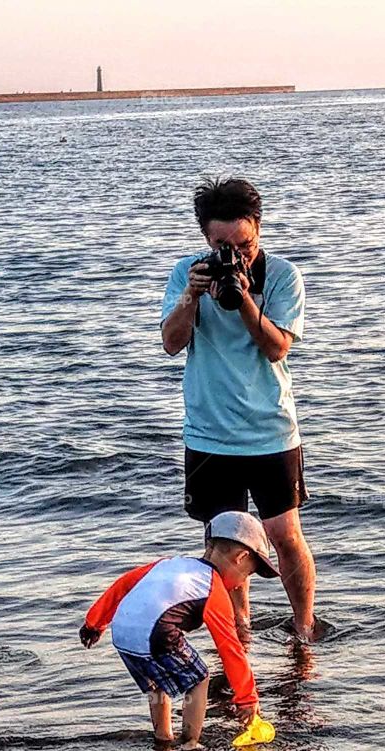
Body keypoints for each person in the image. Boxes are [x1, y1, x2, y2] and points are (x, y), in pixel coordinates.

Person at [160, 177, 317, 642]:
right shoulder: (187, 273)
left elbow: (276, 348)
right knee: (224, 544)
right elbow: (171, 344)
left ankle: (304, 629)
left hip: (270, 429)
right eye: (222, 246)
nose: (236, 256)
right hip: (209, 432)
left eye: (244, 245)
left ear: (259, 230)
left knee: (285, 535)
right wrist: (191, 295)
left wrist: (243, 295)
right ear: (205, 240)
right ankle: (239, 635)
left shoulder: (283, 275)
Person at [79, 511, 276, 749]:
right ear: (241, 557)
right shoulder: (212, 586)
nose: (241, 582)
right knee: (200, 678)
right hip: (156, 633)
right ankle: (190, 742)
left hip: (121, 632)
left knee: (157, 682)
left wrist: (95, 623)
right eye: (247, 574)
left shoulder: (168, 564)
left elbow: (123, 585)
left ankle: (163, 737)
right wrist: (247, 698)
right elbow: (229, 648)